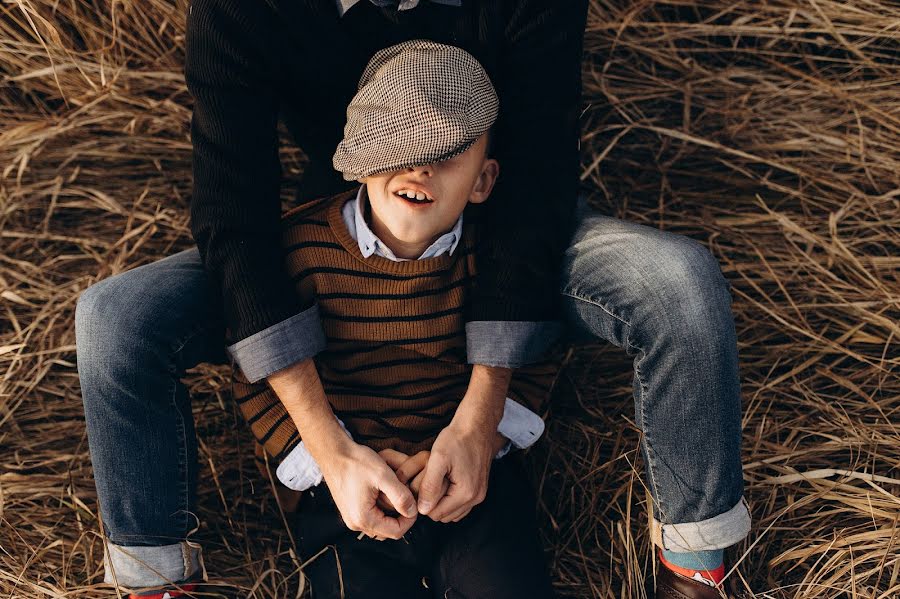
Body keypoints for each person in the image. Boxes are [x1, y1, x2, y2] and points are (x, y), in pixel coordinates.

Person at [73, 1, 750, 598]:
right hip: (335, 223)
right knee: (116, 319)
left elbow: (536, 184)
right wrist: (329, 448)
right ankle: (158, 582)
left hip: (511, 223)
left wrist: (482, 415)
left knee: (677, 285)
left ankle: (694, 568)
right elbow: (234, 215)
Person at [231, 41, 560, 598]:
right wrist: (324, 462)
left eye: (451, 149)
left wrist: (486, 443)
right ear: (362, 156)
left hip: (472, 484)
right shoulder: (301, 248)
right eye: (400, 142)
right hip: (344, 490)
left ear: (483, 181)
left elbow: (532, 352)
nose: (421, 165)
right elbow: (260, 373)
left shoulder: (499, 261)